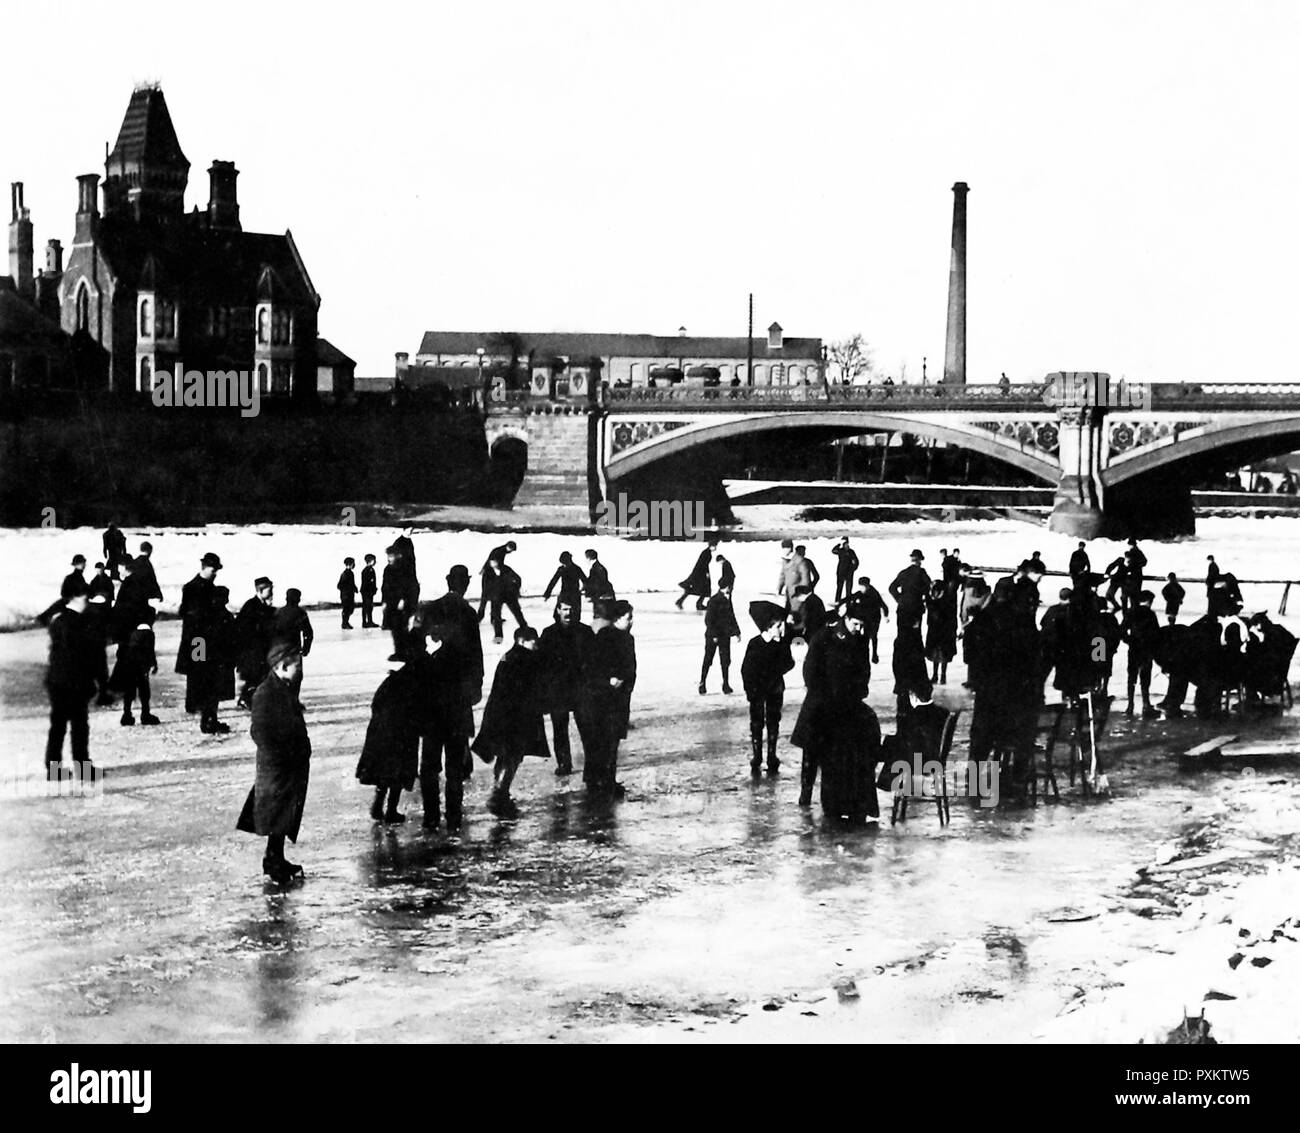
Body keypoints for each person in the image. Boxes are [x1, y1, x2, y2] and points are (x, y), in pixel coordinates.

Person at [790, 602, 879, 821]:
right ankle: (806, 793)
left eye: (862, 625)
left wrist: (857, 692)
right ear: (846, 619)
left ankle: (840, 802)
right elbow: (810, 672)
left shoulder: (861, 640)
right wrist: (826, 697)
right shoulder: (824, 637)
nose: (859, 629)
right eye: (856, 624)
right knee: (812, 752)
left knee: (839, 757)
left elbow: (864, 671)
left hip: (847, 707)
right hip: (821, 707)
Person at [236, 642, 311, 885]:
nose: (300, 669)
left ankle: (275, 856)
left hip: (287, 763)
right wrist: (282, 754)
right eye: (297, 665)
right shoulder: (267, 693)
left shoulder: (283, 687)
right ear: (282, 667)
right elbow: (259, 732)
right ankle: (273, 860)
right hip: (278, 766)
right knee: (278, 812)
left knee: (283, 813)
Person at [418, 566, 485, 832]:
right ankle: (454, 817)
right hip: (457, 700)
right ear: (466, 584)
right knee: (455, 765)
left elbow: (416, 652)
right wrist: (475, 687)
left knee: (429, 763)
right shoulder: (468, 613)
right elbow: (476, 657)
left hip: (432, 699)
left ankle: (431, 816)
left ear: (448, 582)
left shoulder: (431, 609)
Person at [474, 626, 548, 819]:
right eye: (533, 642)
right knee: (512, 756)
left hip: (499, 716)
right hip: (515, 720)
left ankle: (501, 793)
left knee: (504, 756)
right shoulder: (523, 659)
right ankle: (499, 795)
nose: (536, 645)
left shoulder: (509, 657)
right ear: (523, 641)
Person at [356, 654, 426, 825]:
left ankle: (379, 804)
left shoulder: (393, 680)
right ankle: (390, 809)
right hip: (403, 733)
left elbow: (376, 704)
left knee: (385, 770)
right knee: (399, 771)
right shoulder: (414, 682)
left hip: (383, 731)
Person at [44, 592, 100, 783]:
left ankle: (54, 769)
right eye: (85, 597)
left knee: (58, 726)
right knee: (79, 726)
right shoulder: (78, 623)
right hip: (74, 683)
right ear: (76, 598)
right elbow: (82, 656)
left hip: (57, 681)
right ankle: (83, 769)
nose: (87, 602)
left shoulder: (58, 621)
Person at [584, 599, 636, 798]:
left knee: (612, 741)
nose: (631, 622)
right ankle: (598, 781)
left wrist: (626, 684)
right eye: (628, 618)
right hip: (603, 698)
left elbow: (631, 668)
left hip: (620, 698)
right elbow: (594, 666)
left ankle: (606, 780)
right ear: (617, 619)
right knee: (602, 741)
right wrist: (609, 680)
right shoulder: (605, 637)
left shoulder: (627, 638)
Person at [537, 598, 595, 776]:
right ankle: (563, 763)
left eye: (571, 609)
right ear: (558, 610)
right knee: (559, 728)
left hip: (580, 688)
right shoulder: (548, 633)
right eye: (564, 609)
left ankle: (592, 763)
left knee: (586, 727)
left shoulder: (585, 632)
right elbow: (541, 664)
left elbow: (594, 660)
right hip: (558, 689)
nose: (568, 613)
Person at [741, 600, 795, 775]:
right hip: (758, 690)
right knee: (757, 723)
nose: (782, 629)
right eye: (778, 626)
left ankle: (771, 755)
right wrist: (750, 691)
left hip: (775, 689)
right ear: (768, 627)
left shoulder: (782, 643)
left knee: (773, 721)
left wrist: (777, 666)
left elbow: (789, 663)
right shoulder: (755, 644)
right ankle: (757, 756)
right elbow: (746, 670)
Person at [177, 552, 228, 734]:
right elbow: (187, 613)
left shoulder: (208, 587)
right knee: (202, 677)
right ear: (204, 567)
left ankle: (208, 716)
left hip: (207, 641)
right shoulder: (192, 588)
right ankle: (206, 718)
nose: (215, 573)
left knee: (209, 678)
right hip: (198, 641)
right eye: (213, 570)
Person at [109, 609, 159, 726]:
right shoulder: (149, 634)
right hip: (141, 667)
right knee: (144, 691)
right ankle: (145, 714)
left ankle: (127, 714)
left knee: (129, 691)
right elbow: (150, 652)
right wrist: (153, 665)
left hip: (128, 666)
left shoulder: (133, 633)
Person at [235, 577, 277, 708]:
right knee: (253, 675)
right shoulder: (252, 606)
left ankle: (249, 698)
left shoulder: (259, 605)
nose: (272, 593)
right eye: (270, 590)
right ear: (261, 590)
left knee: (259, 674)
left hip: (259, 648)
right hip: (252, 648)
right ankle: (246, 699)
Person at [1123, 590, 1161, 717]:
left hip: (1133, 648)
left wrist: (1129, 641)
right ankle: (1146, 704)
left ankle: (1130, 705)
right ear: (1149, 601)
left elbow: (1122, 630)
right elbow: (1157, 634)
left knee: (1131, 677)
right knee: (1145, 679)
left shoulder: (1130, 612)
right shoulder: (1150, 614)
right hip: (1146, 649)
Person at [699, 582, 741, 694]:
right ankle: (702, 682)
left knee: (725, 660)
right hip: (713, 635)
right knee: (708, 659)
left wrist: (737, 631)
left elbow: (731, 616)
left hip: (725, 635)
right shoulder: (714, 600)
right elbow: (709, 620)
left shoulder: (727, 598)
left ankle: (725, 684)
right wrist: (714, 635)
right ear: (727, 587)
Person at [479, 554, 528, 643]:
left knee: (518, 613)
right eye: (491, 562)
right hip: (496, 597)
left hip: (509, 595)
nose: (493, 563)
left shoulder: (506, 569)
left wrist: (516, 589)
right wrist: (486, 597)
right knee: (496, 617)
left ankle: (525, 630)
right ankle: (498, 636)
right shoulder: (487, 573)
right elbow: (485, 586)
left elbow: (517, 578)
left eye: (495, 561)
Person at [86, 563, 116, 706]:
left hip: (104, 606)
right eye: (97, 569)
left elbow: (111, 593)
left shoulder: (106, 580)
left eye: (101, 569)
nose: (99, 571)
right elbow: (91, 592)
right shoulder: (94, 581)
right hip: (99, 606)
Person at [382, 545, 418, 661]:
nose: (389, 558)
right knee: (395, 629)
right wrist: (384, 602)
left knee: (402, 628)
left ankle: (405, 652)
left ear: (398, 556)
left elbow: (406, 586)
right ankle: (399, 652)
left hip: (402, 603)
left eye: (391, 556)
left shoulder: (403, 569)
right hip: (391, 603)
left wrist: (403, 600)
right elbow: (385, 587)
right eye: (388, 556)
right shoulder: (387, 569)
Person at [925, 578, 957, 684]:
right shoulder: (947, 600)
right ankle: (941, 676)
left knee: (938, 654)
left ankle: (937, 675)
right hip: (943, 631)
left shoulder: (933, 601)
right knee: (942, 654)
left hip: (938, 630)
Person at [889, 549, 931, 630]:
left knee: (902, 634)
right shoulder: (922, 573)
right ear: (920, 560)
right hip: (916, 609)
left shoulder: (903, 573)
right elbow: (928, 588)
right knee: (915, 635)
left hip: (902, 608)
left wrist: (899, 599)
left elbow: (891, 588)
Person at [853, 575, 890, 664]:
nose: (861, 588)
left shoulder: (874, 594)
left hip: (874, 619)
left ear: (867, 586)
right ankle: (865, 654)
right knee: (865, 636)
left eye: (862, 586)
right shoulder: (860, 593)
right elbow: (850, 598)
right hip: (865, 618)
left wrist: (886, 616)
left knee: (873, 636)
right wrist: (839, 603)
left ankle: (874, 654)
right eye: (860, 586)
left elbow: (884, 606)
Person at [272, 588, 315, 663]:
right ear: (298, 599)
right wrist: (305, 649)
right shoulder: (300, 613)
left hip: (279, 651)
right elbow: (308, 633)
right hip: (294, 650)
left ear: (286, 598)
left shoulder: (278, 613)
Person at [543, 551, 587, 618]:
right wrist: (547, 594)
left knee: (574, 617)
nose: (564, 565)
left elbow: (585, 582)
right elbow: (553, 581)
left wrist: (583, 590)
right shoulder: (563, 569)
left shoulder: (576, 569)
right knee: (557, 616)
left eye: (565, 563)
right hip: (566, 595)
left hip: (573, 596)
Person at [676, 540, 717, 610]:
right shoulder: (706, 553)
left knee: (695, 589)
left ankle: (681, 601)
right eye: (714, 546)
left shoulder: (707, 552)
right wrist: (706, 573)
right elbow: (703, 564)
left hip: (699, 573)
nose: (715, 547)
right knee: (703, 589)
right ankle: (698, 604)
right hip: (700, 574)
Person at [777, 540, 814, 617]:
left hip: (797, 594)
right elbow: (782, 576)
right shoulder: (785, 561)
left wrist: (803, 593)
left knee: (798, 616)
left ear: (790, 548)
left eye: (785, 548)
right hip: (788, 593)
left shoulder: (800, 561)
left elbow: (805, 578)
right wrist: (779, 588)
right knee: (788, 614)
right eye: (783, 548)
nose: (783, 550)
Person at [832, 537, 859, 604]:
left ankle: (848, 604)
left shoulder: (851, 552)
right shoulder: (840, 550)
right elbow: (833, 551)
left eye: (846, 543)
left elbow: (856, 562)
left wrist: (853, 569)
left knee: (848, 590)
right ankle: (837, 603)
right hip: (840, 572)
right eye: (844, 543)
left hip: (849, 573)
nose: (846, 545)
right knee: (839, 589)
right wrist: (838, 544)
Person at [338, 557, 358, 629]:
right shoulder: (345, 574)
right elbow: (340, 585)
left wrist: (354, 588)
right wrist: (347, 591)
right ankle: (344, 623)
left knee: (350, 609)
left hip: (349, 594)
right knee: (347, 609)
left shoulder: (350, 573)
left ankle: (346, 622)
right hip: (346, 595)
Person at [360, 554, 379, 628]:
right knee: (367, 606)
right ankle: (367, 622)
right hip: (366, 592)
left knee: (368, 606)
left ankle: (368, 621)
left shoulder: (370, 570)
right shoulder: (367, 570)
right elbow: (367, 582)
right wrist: (371, 590)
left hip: (368, 592)